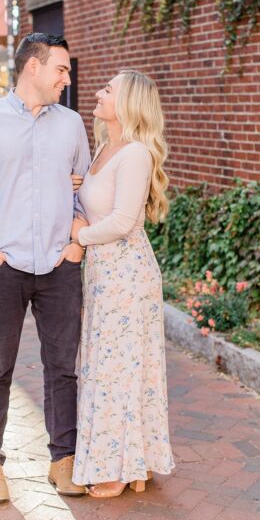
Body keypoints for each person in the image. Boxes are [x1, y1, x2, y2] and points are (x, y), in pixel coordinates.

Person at [0, 33, 90, 503]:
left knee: (63, 367)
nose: (67, 78)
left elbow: (83, 190)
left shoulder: (71, 125)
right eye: (61, 69)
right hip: (2, 267)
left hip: (59, 266)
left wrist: (76, 242)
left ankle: (63, 459)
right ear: (33, 68)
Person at [69, 70, 175, 497]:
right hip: (102, 272)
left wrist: (79, 236)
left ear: (128, 102)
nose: (98, 92)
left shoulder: (134, 153)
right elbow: (99, 203)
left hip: (127, 274)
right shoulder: (104, 148)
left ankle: (119, 466)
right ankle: (136, 463)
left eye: (108, 90)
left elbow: (123, 221)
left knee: (119, 370)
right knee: (115, 366)